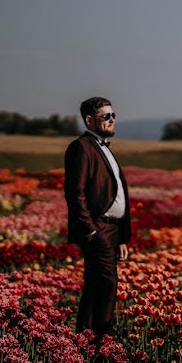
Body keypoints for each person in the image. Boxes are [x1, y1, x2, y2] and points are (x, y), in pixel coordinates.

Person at [64, 96, 131, 345]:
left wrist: (122, 236)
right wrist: (90, 231)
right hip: (98, 228)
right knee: (107, 286)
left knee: (95, 286)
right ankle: (103, 342)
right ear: (89, 120)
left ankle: (84, 341)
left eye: (113, 115)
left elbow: (118, 192)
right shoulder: (82, 147)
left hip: (111, 229)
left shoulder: (104, 147)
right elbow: (75, 192)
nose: (112, 119)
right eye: (106, 116)